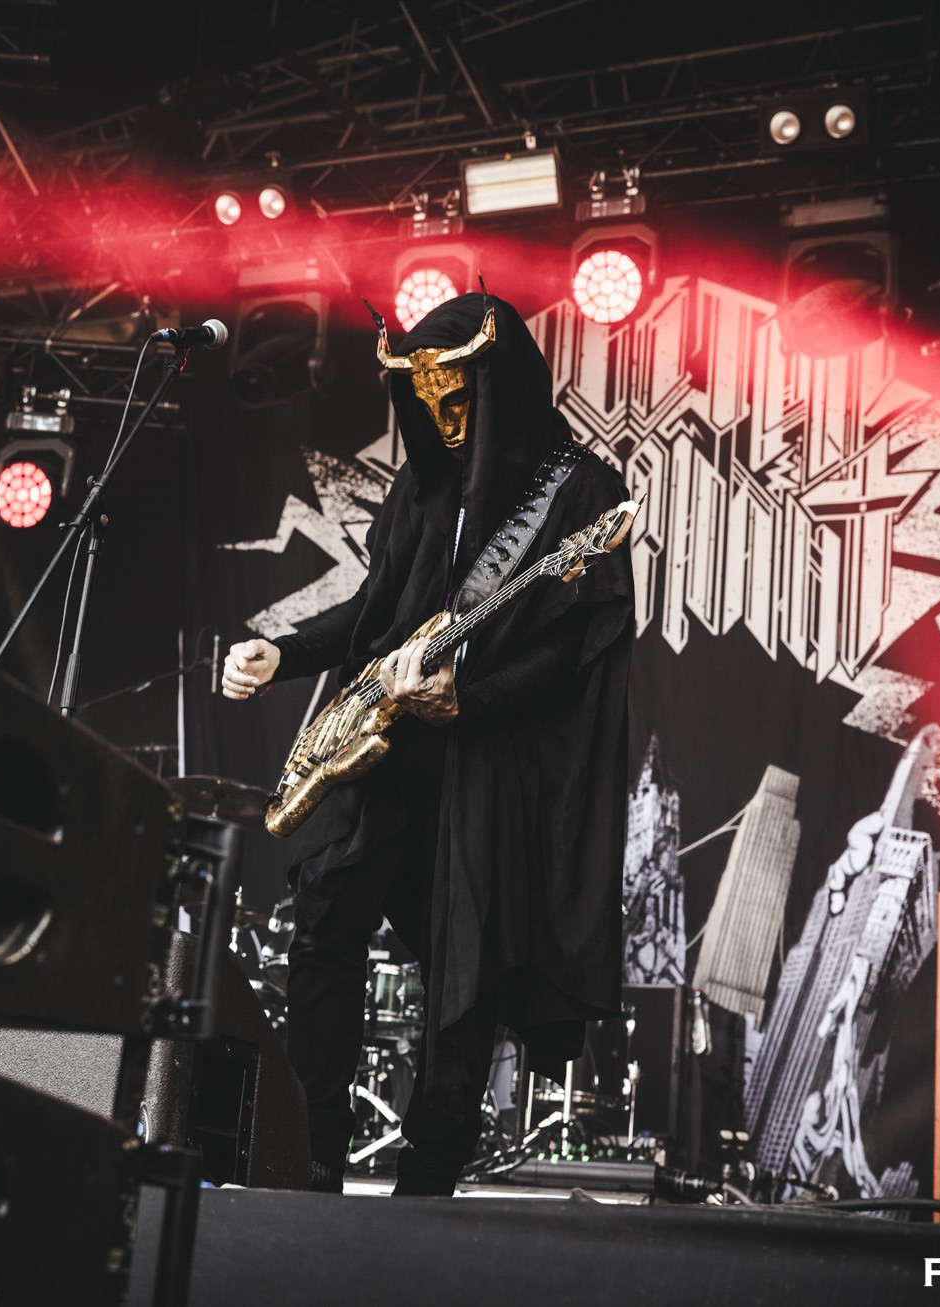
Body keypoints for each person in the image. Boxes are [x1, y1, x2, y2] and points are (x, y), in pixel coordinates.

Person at [221, 292, 636, 1196]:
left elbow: (573, 649)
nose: (443, 421)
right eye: (426, 401)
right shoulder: (423, 486)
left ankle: (430, 1174)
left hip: (489, 763)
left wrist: (470, 700)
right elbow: (377, 612)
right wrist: (283, 651)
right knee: (325, 914)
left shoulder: (577, 491)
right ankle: (311, 1147)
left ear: (500, 387)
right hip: (386, 749)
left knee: (465, 967)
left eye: (458, 399)